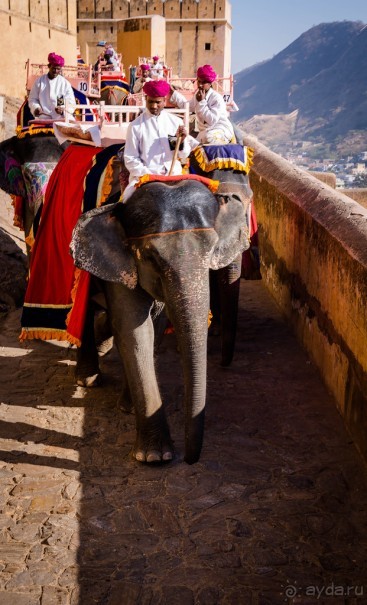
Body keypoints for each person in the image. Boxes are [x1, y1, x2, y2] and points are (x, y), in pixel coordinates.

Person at [122, 79, 197, 202]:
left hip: (173, 175)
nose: (153, 106)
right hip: (145, 177)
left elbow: (182, 155)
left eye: (157, 102)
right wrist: (148, 175)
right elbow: (131, 159)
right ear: (146, 99)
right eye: (150, 102)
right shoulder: (135, 126)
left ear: (164, 101)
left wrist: (182, 142)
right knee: (126, 203)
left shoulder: (175, 123)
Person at [170, 64, 234, 144]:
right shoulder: (198, 94)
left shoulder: (216, 98)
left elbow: (212, 120)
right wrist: (173, 93)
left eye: (203, 82)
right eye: (199, 81)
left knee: (208, 138)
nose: (200, 85)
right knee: (188, 144)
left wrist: (202, 102)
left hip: (220, 129)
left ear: (210, 83)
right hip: (204, 132)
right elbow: (187, 106)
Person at [28, 53, 76, 120]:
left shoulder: (65, 84)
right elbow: (32, 99)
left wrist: (62, 110)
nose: (56, 71)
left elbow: (71, 103)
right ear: (49, 66)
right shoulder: (39, 82)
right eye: (54, 68)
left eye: (58, 69)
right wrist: (36, 108)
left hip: (61, 118)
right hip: (43, 118)